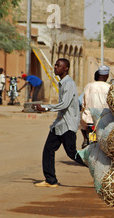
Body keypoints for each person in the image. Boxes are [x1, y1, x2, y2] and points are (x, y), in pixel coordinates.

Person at [33, 58, 86, 187]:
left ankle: (97, 166)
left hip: (67, 125)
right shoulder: (63, 83)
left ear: (65, 68)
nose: (55, 67)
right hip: (60, 125)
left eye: (58, 65)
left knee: (72, 153)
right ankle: (50, 180)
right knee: (48, 150)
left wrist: (45, 108)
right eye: (55, 65)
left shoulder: (68, 83)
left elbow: (64, 104)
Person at [79, 65, 111, 148]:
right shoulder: (110, 88)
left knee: (81, 120)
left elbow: (83, 103)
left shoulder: (88, 86)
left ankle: (86, 139)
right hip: (104, 120)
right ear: (107, 76)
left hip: (89, 120)